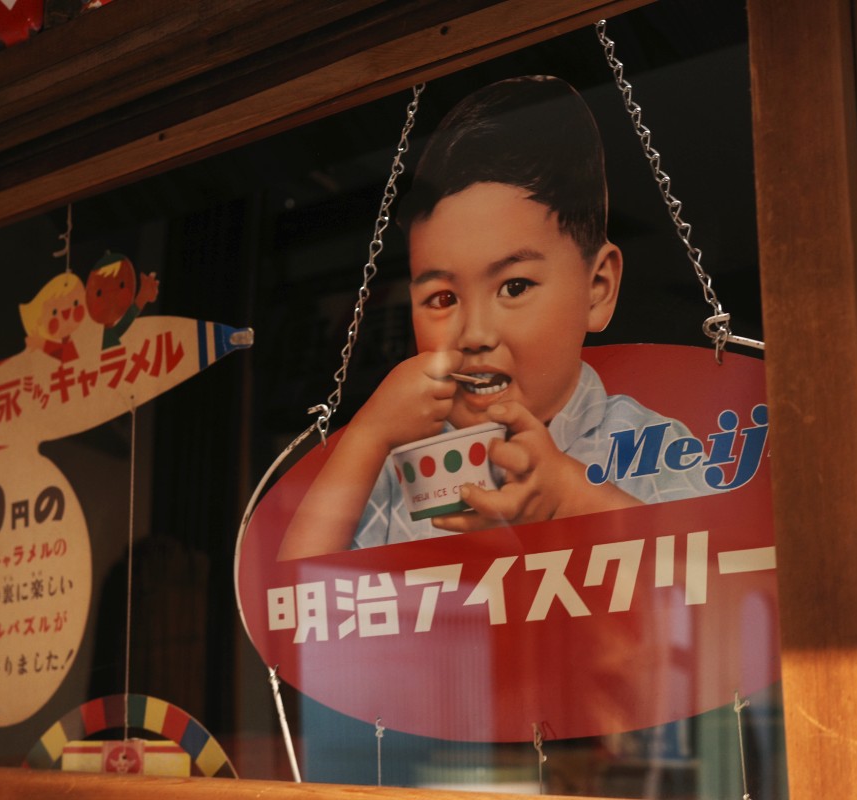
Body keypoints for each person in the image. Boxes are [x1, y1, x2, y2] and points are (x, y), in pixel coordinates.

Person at [278, 76, 708, 560]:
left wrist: (572, 500)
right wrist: (365, 437)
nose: (475, 335)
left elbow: (724, 588)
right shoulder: (399, 463)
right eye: (442, 298)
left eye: (515, 287)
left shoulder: (649, 445)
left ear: (598, 290)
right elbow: (293, 602)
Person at [19, 272, 86, 362]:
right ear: (39, 321)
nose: (66, 314)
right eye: (54, 312)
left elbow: (68, 355)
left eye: (76, 303)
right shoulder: (67, 339)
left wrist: (42, 344)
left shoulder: (82, 335)